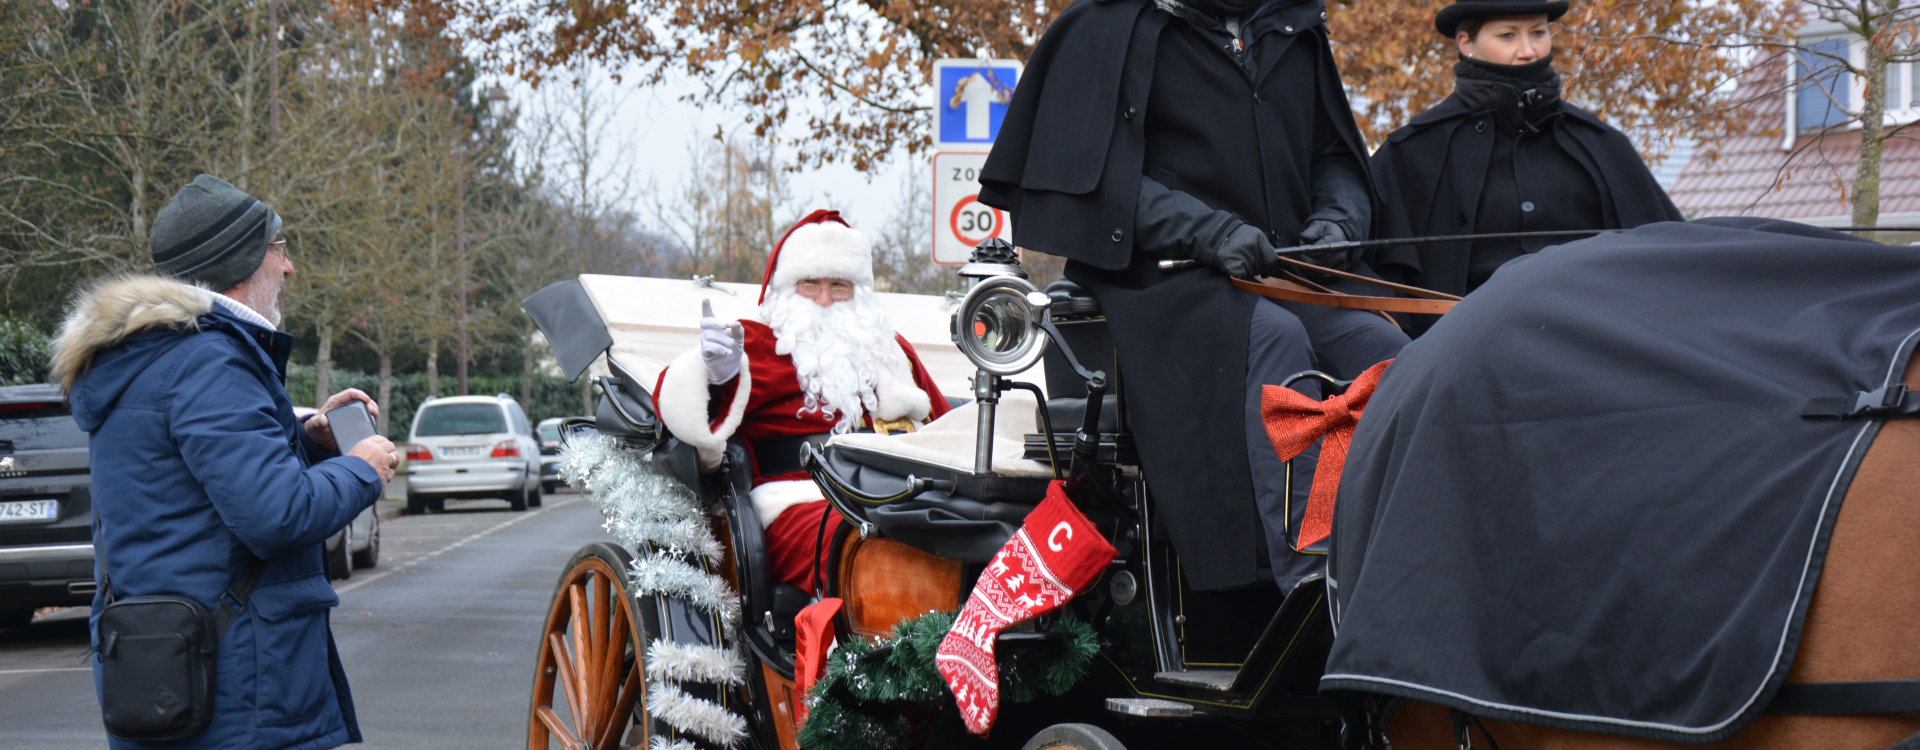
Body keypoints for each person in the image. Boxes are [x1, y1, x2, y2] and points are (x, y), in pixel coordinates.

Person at [978, 0, 1406, 592]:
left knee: (1383, 350)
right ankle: (1312, 580)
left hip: (1285, 271)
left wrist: (1337, 224)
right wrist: (1212, 232)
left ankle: (1400, 566)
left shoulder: (1294, 30)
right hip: (1155, 280)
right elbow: (1097, 179)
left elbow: (1335, 157)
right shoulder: (1106, 27)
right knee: (1275, 340)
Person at [52, 174, 398, 750]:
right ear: (239, 260)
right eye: (278, 248)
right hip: (238, 686)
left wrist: (308, 439)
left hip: (169, 669)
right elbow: (277, 515)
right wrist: (362, 466)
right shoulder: (210, 361)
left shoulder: (151, 355)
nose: (288, 268)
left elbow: (191, 484)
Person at [652, 210, 950, 594]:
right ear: (786, 287)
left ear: (858, 291)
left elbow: (944, 423)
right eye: (811, 284)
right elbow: (677, 407)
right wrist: (713, 375)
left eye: (839, 285)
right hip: (800, 498)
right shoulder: (756, 343)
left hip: (902, 492)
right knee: (865, 547)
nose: (825, 299)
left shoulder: (892, 350)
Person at [1370, 0, 1684, 335]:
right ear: (1465, 43)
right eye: (1507, 36)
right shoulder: (1410, 153)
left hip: (1598, 344)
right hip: (1466, 355)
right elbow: (1384, 297)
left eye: (1538, 33)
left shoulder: (1603, 146)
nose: (1528, 51)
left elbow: (1670, 264)